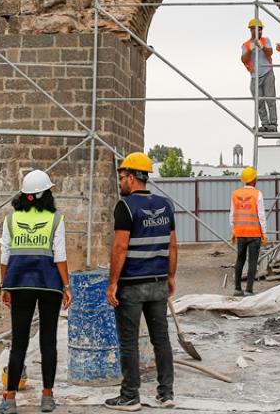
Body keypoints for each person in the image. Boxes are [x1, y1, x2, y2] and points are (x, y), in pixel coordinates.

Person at [105, 153, 177, 411]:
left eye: (122, 177)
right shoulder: (166, 205)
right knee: (161, 339)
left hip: (131, 285)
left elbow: (120, 247)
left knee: (129, 342)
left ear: (132, 178)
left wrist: (112, 283)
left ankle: (129, 397)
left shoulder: (125, 207)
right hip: (158, 283)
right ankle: (166, 394)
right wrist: (170, 276)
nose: (120, 182)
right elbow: (172, 245)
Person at [0, 169, 72, 413]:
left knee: (18, 342)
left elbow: (5, 256)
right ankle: (47, 396)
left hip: (19, 285)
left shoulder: (11, 220)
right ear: (44, 195)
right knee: (48, 341)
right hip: (49, 285)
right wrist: (66, 286)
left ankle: (10, 398)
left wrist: (5, 286)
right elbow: (60, 256)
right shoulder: (56, 219)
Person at [230, 166, 267, 296]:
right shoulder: (257, 194)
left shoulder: (235, 194)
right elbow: (261, 215)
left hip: (240, 233)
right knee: (252, 261)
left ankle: (237, 289)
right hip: (254, 233)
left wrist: (233, 231)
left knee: (240, 259)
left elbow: (232, 214)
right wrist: (264, 234)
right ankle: (249, 290)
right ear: (253, 180)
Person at [240, 18, 277, 132]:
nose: (259, 31)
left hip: (267, 72)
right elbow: (244, 59)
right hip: (255, 76)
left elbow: (270, 52)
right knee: (259, 101)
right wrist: (250, 49)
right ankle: (265, 124)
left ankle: (273, 124)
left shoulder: (265, 40)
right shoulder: (246, 45)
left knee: (270, 99)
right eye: (257, 29)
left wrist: (261, 46)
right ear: (251, 30)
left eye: (260, 29)